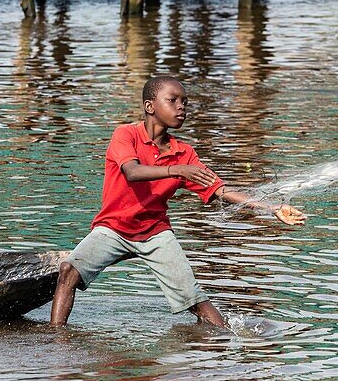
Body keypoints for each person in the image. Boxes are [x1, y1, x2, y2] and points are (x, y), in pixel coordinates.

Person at [50, 75, 305, 328]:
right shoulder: (126, 135)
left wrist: (271, 208)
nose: (181, 107)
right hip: (113, 228)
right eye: (173, 100)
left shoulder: (184, 153)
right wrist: (178, 171)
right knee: (68, 272)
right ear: (150, 106)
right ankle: (56, 341)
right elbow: (132, 172)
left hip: (155, 233)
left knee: (194, 300)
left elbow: (219, 188)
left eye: (185, 102)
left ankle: (224, 341)